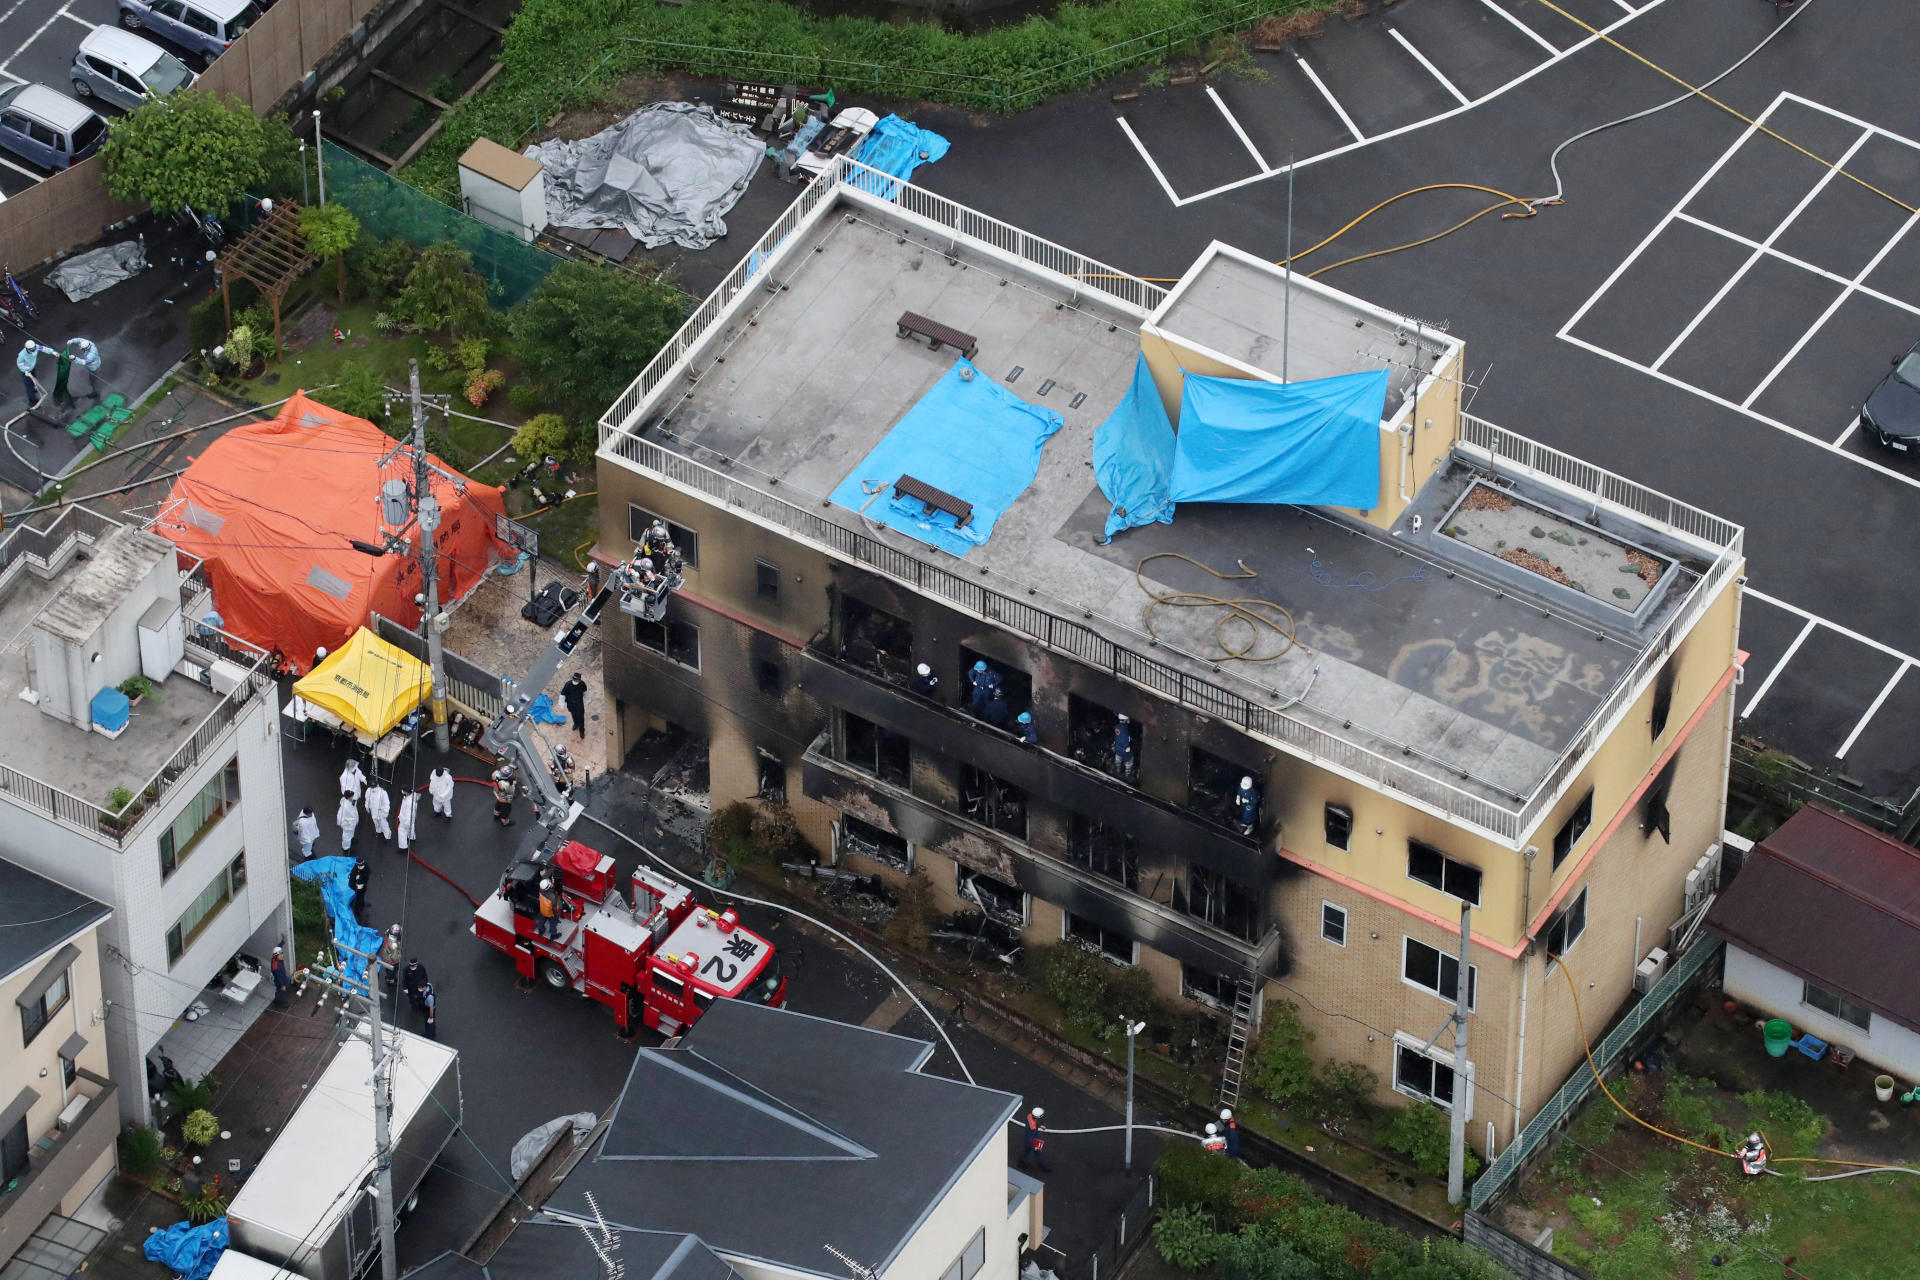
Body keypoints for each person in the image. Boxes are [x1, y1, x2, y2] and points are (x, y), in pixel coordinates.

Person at [1017, 1106, 1051, 1173]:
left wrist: (1039, 1125)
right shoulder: (1033, 1128)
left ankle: (1021, 1163)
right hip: (1034, 1140)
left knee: (1026, 1152)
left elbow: (1033, 1122)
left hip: (1027, 1139)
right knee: (1039, 1154)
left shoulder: (1029, 1116)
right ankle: (1043, 1167)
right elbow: (1032, 1134)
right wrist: (1034, 1144)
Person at [561, 672, 588, 739]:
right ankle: (576, 724)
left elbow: (585, 692)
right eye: (574, 679)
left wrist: (588, 699)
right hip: (570, 703)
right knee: (573, 715)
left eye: (577, 680)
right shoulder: (568, 684)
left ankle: (581, 730)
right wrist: (561, 703)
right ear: (572, 678)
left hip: (579, 703)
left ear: (579, 680)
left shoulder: (582, 684)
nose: (575, 681)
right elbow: (562, 694)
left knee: (581, 717)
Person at [378, 925, 403, 993]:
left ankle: (389, 978)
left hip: (386, 957)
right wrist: (398, 960)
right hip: (392, 962)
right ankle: (390, 980)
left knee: (388, 969)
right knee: (392, 971)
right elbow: (395, 957)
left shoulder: (387, 934)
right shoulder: (395, 946)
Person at [16, 340, 41, 405]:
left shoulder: (36, 347)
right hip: (26, 372)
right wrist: (25, 370)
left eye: (34, 349)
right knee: (28, 385)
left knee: (34, 379)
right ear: (27, 349)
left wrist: (53, 352)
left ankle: (34, 389)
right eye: (32, 350)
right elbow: (20, 364)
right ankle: (32, 399)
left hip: (32, 369)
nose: (34, 350)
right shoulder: (22, 355)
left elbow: (44, 348)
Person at [1112, 714, 1137, 781]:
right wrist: (1127, 749)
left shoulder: (1116, 727)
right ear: (1126, 719)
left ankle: (1117, 771)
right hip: (1125, 749)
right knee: (1129, 762)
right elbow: (1126, 740)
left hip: (1118, 749)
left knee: (1118, 760)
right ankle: (1127, 776)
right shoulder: (1126, 729)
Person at [396, 787, 419, 854]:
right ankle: (411, 837)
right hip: (409, 819)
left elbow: (409, 813)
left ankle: (403, 847)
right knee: (411, 827)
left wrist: (407, 823)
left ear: (406, 792)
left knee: (401, 831)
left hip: (406, 819)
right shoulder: (411, 796)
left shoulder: (409, 802)